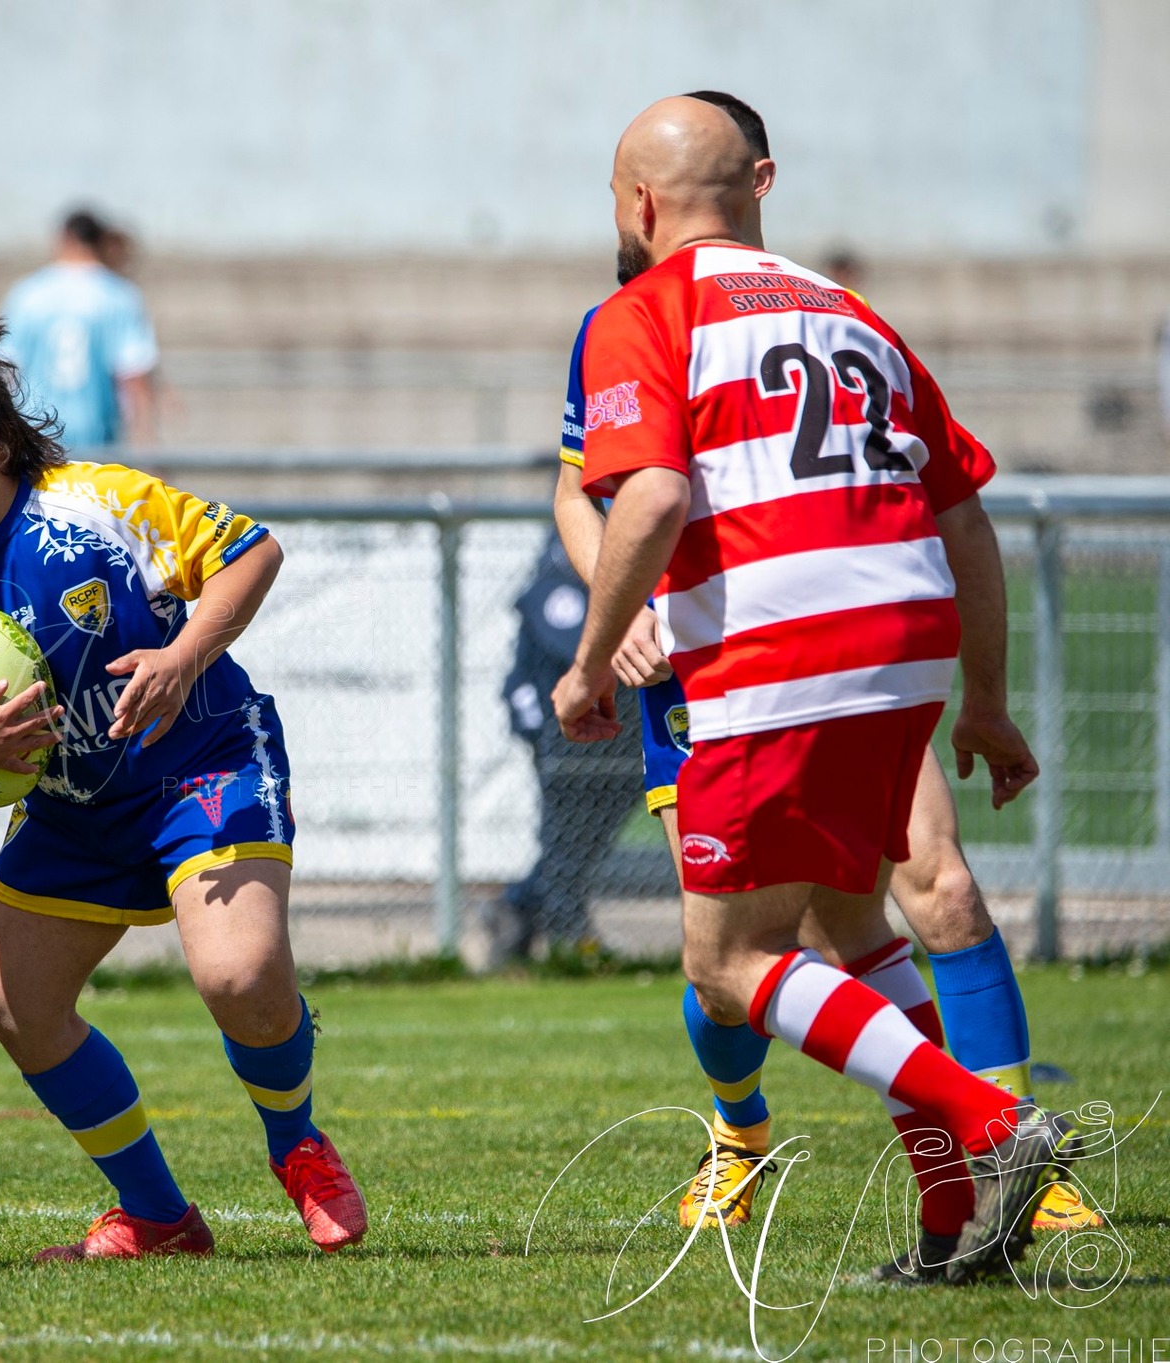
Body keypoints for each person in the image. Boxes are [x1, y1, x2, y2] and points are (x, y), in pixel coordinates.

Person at [550, 92, 1100, 1269]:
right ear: (752, 188)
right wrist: (985, 700)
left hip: (780, 640)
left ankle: (996, 1126)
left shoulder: (641, 310)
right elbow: (962, 514)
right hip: (900, 638)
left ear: (639, 204)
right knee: (855, 920)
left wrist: (589, 665)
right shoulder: (850, 310)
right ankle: (954, 1218)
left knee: (729, 959)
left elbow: (643, 497)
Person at [0, 290, 365, 1259]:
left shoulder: (92, 504)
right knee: (15, 1009)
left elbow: (250, 551)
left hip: (194, 762)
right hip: (73, 808)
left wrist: (179, 659)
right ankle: (159, 1217)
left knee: (239, 973)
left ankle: (296, 1144)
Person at [490, 534, 644, 960]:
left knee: (585, 841)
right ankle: (567, 934)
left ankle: (519, 905)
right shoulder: (568, 549)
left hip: (618, 725)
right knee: (564, 836)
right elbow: (567, 634)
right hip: (564, 723)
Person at [0, 209, 159, 451]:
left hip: (35, 434)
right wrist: (148, 445)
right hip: (96, 439)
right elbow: (134, 374)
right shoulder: (119, 295)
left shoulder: (27, 293)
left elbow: (5, 367)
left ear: (64, 238)